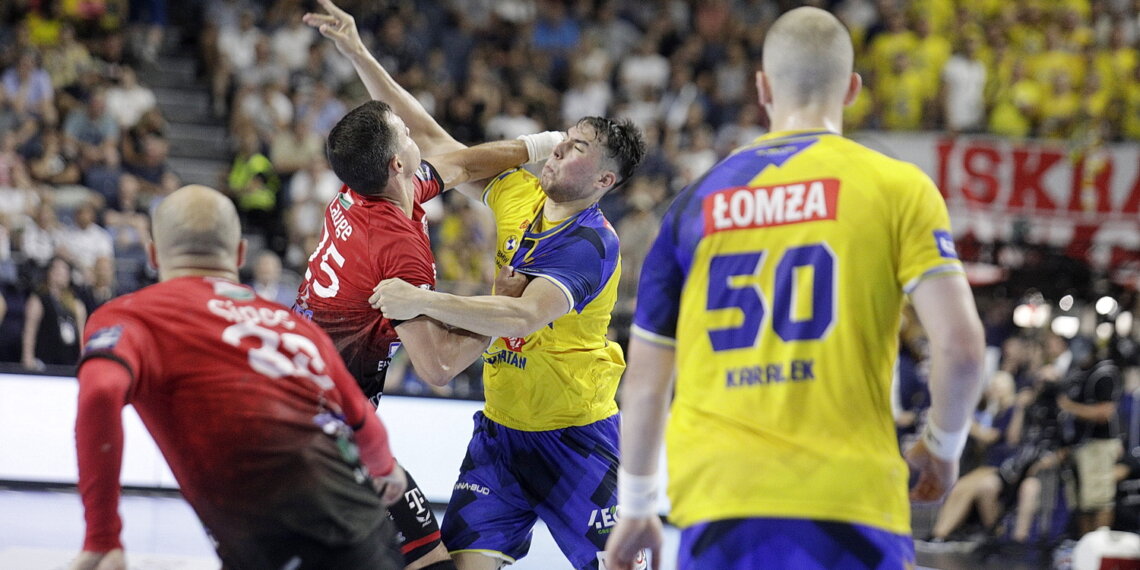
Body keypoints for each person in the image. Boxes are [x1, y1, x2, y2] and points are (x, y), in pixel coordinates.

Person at [603, 7, 986, 570]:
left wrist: (636, 507)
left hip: (719, 497)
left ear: (762, 87)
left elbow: (644, 385)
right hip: (853, 500)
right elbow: (961, 347)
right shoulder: (897, 186)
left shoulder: (691, 205)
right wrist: (943, 446)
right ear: (852, 88)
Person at [306, 3, 646, 569]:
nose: (561, 147)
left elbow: (521, 317)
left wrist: (420, 301)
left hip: (575, 436)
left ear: (605, 180)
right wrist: (360, 54)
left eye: (578, 147)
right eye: (564, 139)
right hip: (501, 437)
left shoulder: (592, 244)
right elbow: (430, 139)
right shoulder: (519, 195)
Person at [70, 185, 408, 570]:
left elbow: (98, 394)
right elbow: (367, 427)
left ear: (152, 255)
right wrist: (385, 470)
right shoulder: (296, 327)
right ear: (240, 253)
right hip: (369, 527)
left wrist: (102, 537)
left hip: (286, 539)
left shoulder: (130, 315)